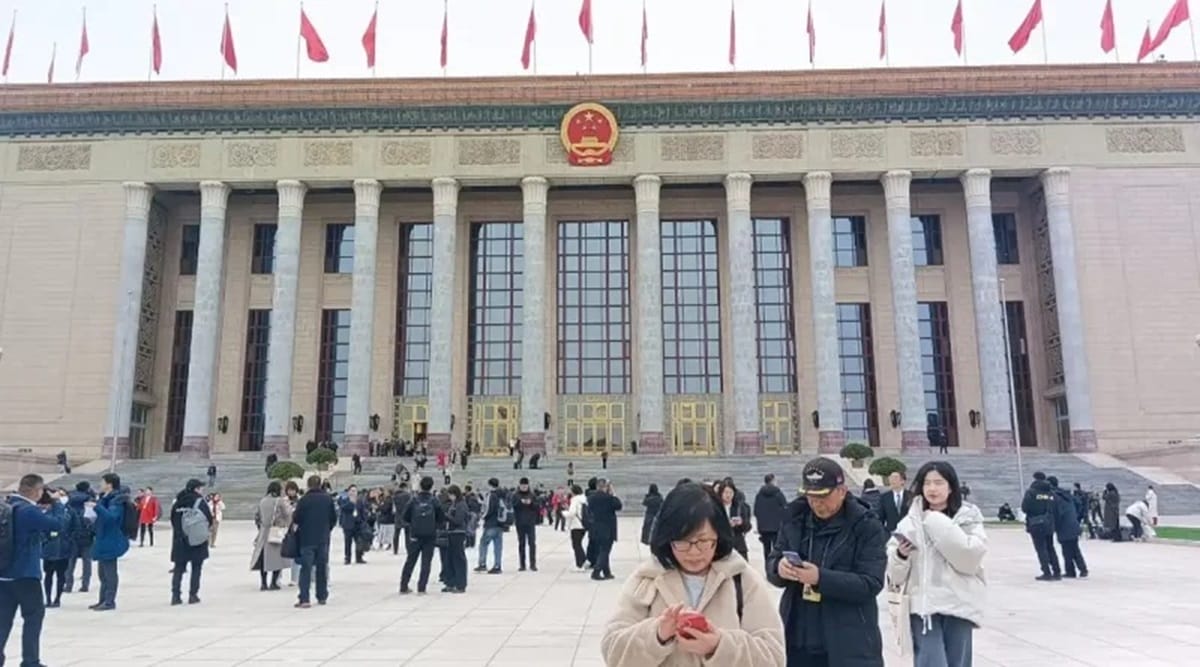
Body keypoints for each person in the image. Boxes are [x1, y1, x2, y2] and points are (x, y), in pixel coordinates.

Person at [600, 482, 786, 666]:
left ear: (718, 536)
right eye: (683, 542)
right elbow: (613, 651)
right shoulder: (648, 578)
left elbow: (774, 657)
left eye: (704, 541)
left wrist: (719, 646)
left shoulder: (741, 579)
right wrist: (657, 635)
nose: (694, 552)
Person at [766, 457, 887, 667]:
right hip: (799, 637)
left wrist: (820, 578)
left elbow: (871, 582)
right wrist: (779, 568)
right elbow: (773, 562)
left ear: (842, 491)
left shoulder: (866, 525)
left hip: (848, 639)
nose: (816, 503)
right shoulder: (794, 520)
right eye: (811, 496)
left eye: (823, 496)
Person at [887, 461, 986, 667]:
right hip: (924, 608)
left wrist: (934, 520)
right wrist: (901, 555)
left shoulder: (968, 518)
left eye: (939, 483)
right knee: (931, 661)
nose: (932, 489)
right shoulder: (910, 522)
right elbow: (893, 574)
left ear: (951, 487)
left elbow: (970, 558)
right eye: (927, 483)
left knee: (957, 662)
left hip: (958, 604)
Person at [0, 475, 66, 667]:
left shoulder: (6, 506)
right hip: (26, 574)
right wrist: (57, 502)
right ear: (37, 491)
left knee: (3, 621)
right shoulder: (29, 511)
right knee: (33, 618)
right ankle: (30, 661)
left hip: (3, 573)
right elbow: (57, 525)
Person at [292, 475, 338, 608]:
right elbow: (333, 519)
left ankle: (305, 598)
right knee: (321, 567)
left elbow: (296, 518)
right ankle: (322, 596)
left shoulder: (304, 500)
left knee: (306, 569)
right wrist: (326, 530)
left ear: (308, 485)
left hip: (307, 539)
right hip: (323, 538)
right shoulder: (327, 499)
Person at [400, 476, 447, 595]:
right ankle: (421, 588)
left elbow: (405, 516)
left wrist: (414, 524)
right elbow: (441, 518)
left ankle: (404, 586)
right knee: (426, 562)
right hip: (430, 535)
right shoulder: (434, 500)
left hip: (415, 534)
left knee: (410, 561)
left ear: (420, 486)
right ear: (432, 487)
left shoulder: (414, 500)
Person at [169, 479, 213, 605]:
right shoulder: (200, 502)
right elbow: (209, 519)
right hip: (196, 540)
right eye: (200, 488)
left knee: (178, 569)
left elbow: (172, 519)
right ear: (196, 489)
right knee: (196, 568)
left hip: (179, 540)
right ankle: (193, 595)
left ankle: (175, 596)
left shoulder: (177, 502)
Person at [90, 473, 129, 612]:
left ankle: (109, 601)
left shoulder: (116, 500)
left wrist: (97, 507)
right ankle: (102, 599)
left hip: (111, 538)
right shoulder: (104, 498)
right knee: (102, 573)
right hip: (102, 537)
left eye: (102, 482)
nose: (100, 485)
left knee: (110, 572)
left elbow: (112, 518)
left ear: (109, 484)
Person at [251, 481, 294, 591]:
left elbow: (257, 516)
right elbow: (288, 514)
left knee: (263, 559)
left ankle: (263, 583)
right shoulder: (279, 501)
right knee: (277, 559)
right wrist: (286, 526)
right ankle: (273, 583)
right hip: (275, 532)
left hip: (263, 531)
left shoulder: (263, 500)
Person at [1021, 472, 1061, 581]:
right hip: (1049, 523)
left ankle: (1046, 572)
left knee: (1041, 549)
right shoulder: (1051, 493)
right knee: (1050, 547)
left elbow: (1024, 508)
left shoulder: (1031, 492)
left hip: (1036, 523)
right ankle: (1057, 572)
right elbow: (1056, 508)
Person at [1048, 476, 1088, 578]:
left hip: (1064, 526)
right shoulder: (1066, 494)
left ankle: (1071, 571)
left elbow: (1057, 513)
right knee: (1074, 548)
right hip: (1073, 523)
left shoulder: (1054, 496)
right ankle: (1082, 569)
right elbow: (1079, 503)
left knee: (1067, 550)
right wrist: (1076, 516)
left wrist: (1054, 524)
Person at [42, 488, 75, 608]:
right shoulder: (66, 511)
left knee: (52, 575)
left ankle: (53, 599)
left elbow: (75, 527)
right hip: (58, 548)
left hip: (56, 548)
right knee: (56, 575)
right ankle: (53, 599)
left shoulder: (65, 511)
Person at [588, 478, 622, 581]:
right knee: (605, 551)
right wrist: (613, 494)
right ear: (605, 487)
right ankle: (596, 571)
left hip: (595, 528)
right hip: (607, 528)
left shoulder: (591, 498)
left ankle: (607, 572)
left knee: (601, 550)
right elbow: (618, 506)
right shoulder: (609, 498)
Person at [64, 481, 95, 594]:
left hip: (72, 535)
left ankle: (68, 585)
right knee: (87, 561)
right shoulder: (89, 500)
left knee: (70, 562)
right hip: (87, 535)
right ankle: (85, 585)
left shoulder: (70, 499)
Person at [753, 474, 788, 565]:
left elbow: (756, 511)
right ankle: (775, 567)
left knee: (766, 549)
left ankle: (767, 567)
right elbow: (785, 508)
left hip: (764, 528)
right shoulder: (778, 494)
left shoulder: (759, 495)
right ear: (772, 481)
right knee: (777, 550)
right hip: (777, 527)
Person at [475, 478, 507, 574]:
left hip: (491, 523)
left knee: (483, 544)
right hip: (500, 523)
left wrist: (482, 516)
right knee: (498, 546)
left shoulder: (491, 495)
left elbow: (488, 509)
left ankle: (482, 563)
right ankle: (497, 565)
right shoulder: (502, 494)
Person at [443, 485, 470, 593]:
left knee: (459, 559)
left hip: (458, 533)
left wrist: (447, 516)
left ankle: (460, 584)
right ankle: (451, 582)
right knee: (449, 559)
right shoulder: (454, 504)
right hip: (451, 533)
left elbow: (458, 520)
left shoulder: (461, 505)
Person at [717, 481, 752, 562]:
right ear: (721, 493)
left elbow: (748, 526)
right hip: (722, 544)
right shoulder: (716, 507)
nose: (728, 495)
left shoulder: (739, 507)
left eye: (730, 492)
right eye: (726, 492)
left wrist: (741, 523)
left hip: (738, 544)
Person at [512, 477, 541, 572]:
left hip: (530, 522)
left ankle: (533, 564)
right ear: (519, 485)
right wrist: (521, 503)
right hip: (520, 522)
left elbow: (537, 507)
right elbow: (514, 506)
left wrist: (531, 503)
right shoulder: (516, 495)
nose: (524, 487)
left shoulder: (532, 495)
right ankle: (522, 564)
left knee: (532, 543)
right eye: (522, 485)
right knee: (521, 544)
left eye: (525, 485)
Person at [338, 486, 367, 565]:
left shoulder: (360, 501)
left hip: (358, 524)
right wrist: (351, 502)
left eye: (355, 491)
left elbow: (363, 511)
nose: (353, 493)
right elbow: (343, 508)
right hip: (348, 524)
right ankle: (347, 558)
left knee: (359, 542)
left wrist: (363, 521)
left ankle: (359, 557)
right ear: (349, 492)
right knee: (348, 542)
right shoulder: (345, 500)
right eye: (352, 491)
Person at [566, 485, 589, 570]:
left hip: (576, 525)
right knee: (578, 544)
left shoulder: (575, 500)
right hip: (584, 524)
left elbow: (572, 512)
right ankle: (583, 559)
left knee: (576, 545)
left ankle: (580, 564)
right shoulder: (584, 499)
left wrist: (564, 513)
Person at [392, 483, 412, 555]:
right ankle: (408, 549)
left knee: (396, 534)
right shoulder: (408, 495)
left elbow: (394, 508)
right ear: (405, 488)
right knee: (407, 534)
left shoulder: (395, 496)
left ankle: (395, 550)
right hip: (406, 516)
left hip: (398, 516)